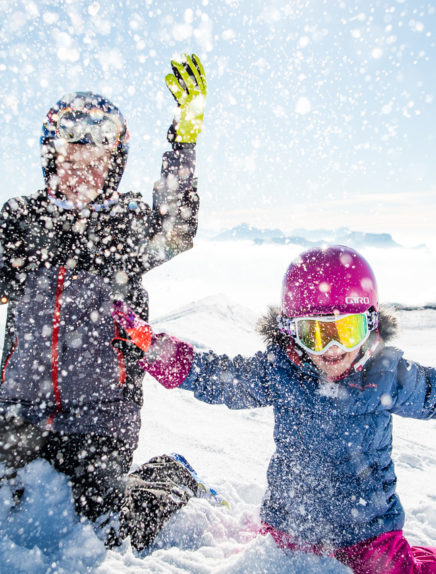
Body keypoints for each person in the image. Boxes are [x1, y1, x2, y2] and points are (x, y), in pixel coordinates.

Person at [112, 245, 436, 572]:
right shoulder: (280, 373)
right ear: (291, 332)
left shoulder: (386, 374)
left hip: (367, 529)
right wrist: (159, 352)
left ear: (370, 326)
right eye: (316, 334)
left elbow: (431, 393)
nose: (333, 348)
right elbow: (219, 377)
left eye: (347, 331)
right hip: (292, 523)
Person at [0, 54, 208, 549]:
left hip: (102, 418)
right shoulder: (21, 220)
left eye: (96, 162)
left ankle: (169, 477)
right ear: (52, 157)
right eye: (72, 158)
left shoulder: (127, 223)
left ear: (113, 166)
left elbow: (177, 230)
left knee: (105, 531)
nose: (82, 171)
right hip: (16, 411)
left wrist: (183, 141)